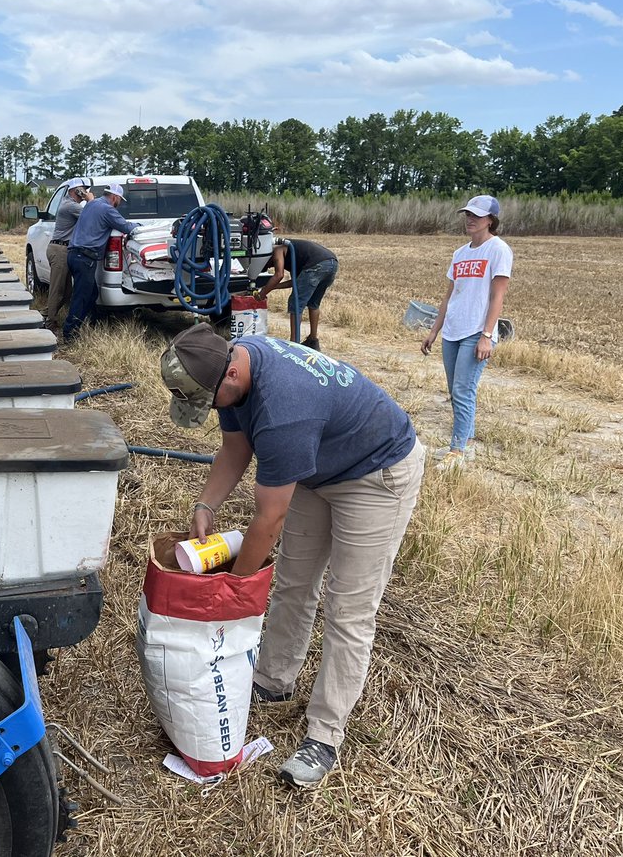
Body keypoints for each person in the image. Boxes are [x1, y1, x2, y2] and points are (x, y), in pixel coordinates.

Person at [160, 323, 425, 788]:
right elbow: (235, 445)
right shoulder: (231, 366)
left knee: (349, 609)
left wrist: (234, 591)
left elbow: (268, 521)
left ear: (232, 376)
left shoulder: (283, 408)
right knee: (294, 584)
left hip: (378, 474)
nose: (207, 410)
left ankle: (324, 735)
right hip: (320, 467)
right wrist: (206, 506)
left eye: (206, 401)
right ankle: (273, 680)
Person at [421, 195, 513, 467]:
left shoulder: (498, 250)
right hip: (452, 331)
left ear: (491, 220)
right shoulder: (459, 254)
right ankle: (467, 443)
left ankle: (457, 450)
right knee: (456, 390)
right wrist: (434, 331)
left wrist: (487, 335)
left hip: (476, 331)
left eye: (476, 215)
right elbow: (449, 296)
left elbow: (498, 297)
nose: (470, 219)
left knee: (463, 389)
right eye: (467, 214)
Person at [62, 183, 142, 341]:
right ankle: (69, 334)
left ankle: (91, 324)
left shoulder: (92, 204)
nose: (119, 203)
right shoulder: (108, 210)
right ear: (115, 197)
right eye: (120, 200)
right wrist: (141, 227)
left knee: (91, 294)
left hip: (73, 255)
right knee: (81, 296)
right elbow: (126, 227)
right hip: (85, 258)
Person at [258, 238, 338, 351]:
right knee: (313, 304)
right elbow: (295, 282)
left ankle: (294, 344)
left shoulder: (277, 250)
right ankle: (313, 341)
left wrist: (261, 294)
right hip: (332, 263)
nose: (273, 265)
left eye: (271, 264)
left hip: (317, 264)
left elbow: (279, 275)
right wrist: (273, 287)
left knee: (295, 302)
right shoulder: (295, 255)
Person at [45, 181, 93, 335]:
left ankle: (46, 314)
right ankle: (49, 323)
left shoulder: (68, 204)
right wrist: (90, 199)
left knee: (66, 292)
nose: (85, 192)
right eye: (83, 190)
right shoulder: (71, 206)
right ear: (76, 191)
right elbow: (91, 215)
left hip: (61, 249)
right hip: (60, 250)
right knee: (56, 290)